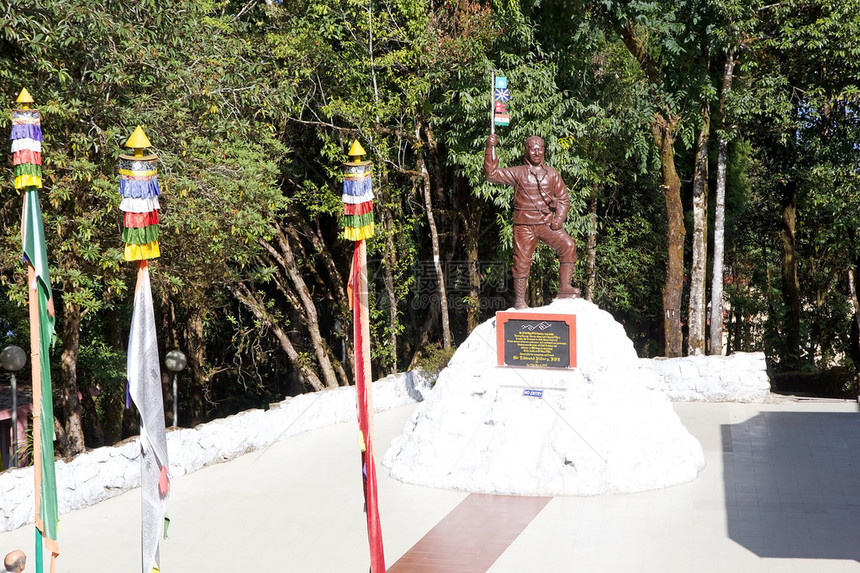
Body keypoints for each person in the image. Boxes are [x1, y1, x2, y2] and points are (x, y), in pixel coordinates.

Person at [484, 134, 579, 309]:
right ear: (526, 150)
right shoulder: (518, 172)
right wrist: (491, 148)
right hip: (524, 225)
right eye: (533, 148)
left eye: (540, 148)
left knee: (568, 245)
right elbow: (492, 174)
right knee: (521, 261)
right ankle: (520, 301)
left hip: (546, 223)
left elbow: (564, 200)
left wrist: (558, 218)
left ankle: (565, 288)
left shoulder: (552, 173)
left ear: (544, 150)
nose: (537, 152)